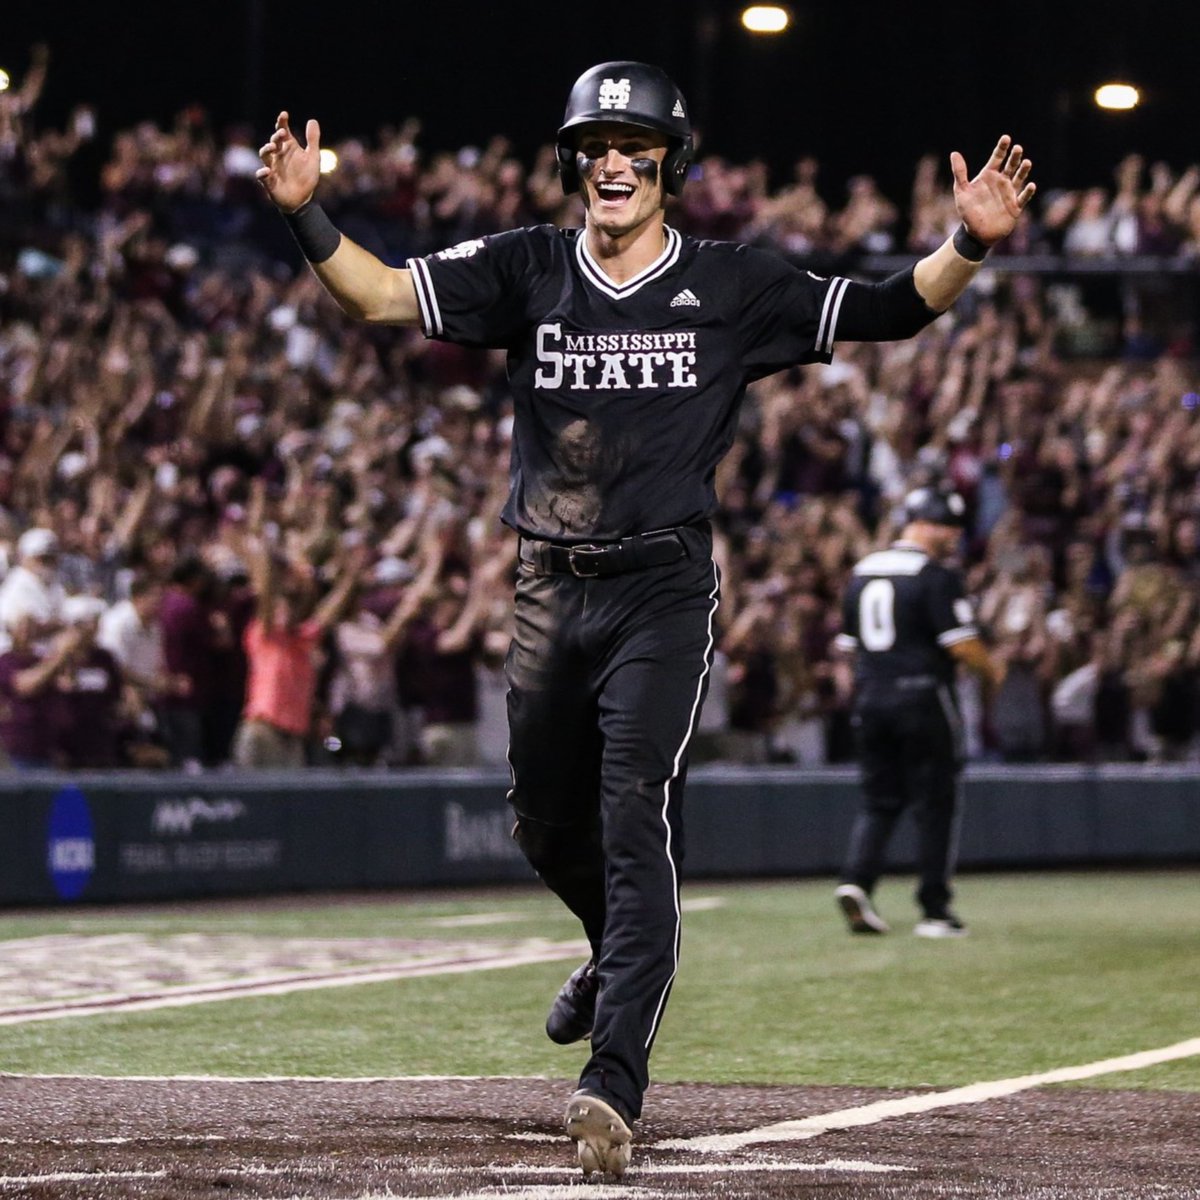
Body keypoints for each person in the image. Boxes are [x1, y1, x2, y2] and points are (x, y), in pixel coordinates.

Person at [257, 61, 1034, 1174]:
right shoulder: (526, 266)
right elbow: (378, 294)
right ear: (573, 164)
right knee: (541, 822)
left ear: (672, 165)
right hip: (546, 582)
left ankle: (612, 1082)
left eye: (636, 148)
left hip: (661, 590)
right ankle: (613, 954)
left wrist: (970, 243)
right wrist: (305, 214)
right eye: (595, 147)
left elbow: (885, 308)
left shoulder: (731, 281)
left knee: (633, 811)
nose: (613, 163)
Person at [833, 486, 1004, 939]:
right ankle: (935, 909)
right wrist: (992, 671)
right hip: (923, 698)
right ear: (922, 525)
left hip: (871, 698)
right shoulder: (935, 576)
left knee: (879, 800)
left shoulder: (862, 573)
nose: (954, 536)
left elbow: (849, 649)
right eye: (946, 526)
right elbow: (961, 645)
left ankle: (856, 882)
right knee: (936, 804)